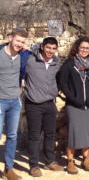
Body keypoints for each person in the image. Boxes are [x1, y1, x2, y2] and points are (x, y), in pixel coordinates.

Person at [60, 36, 89, 174]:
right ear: (77, 48)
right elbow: (62, 83)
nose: (84, 50)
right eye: (82, 47)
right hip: (74, 105)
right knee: (73, 133)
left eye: (87, 48)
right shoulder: (69, 64)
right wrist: (71, 97)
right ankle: (70, 161)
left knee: (87, 132)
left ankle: (85, 159)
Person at [24, 37, 63, 177]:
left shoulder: (56, 62)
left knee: (50, 134)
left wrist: (55, 92)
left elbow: (57, 79)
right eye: (48, 48)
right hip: (33, 104)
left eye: (53, 48)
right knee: (34, 136)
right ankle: (34, 165)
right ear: (42, 46)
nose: (50, 51)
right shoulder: (29, 60)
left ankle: (49, 161)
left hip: (50, 104)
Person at [0, 28, 30, 180]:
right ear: (10, 37)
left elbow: (40, 53)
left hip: (15, 101)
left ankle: (8, 169)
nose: (19, 44)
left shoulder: (23, 55)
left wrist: (27, 49)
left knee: (12, 136)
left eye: (22, 42)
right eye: (17, 40)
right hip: (0, 101)